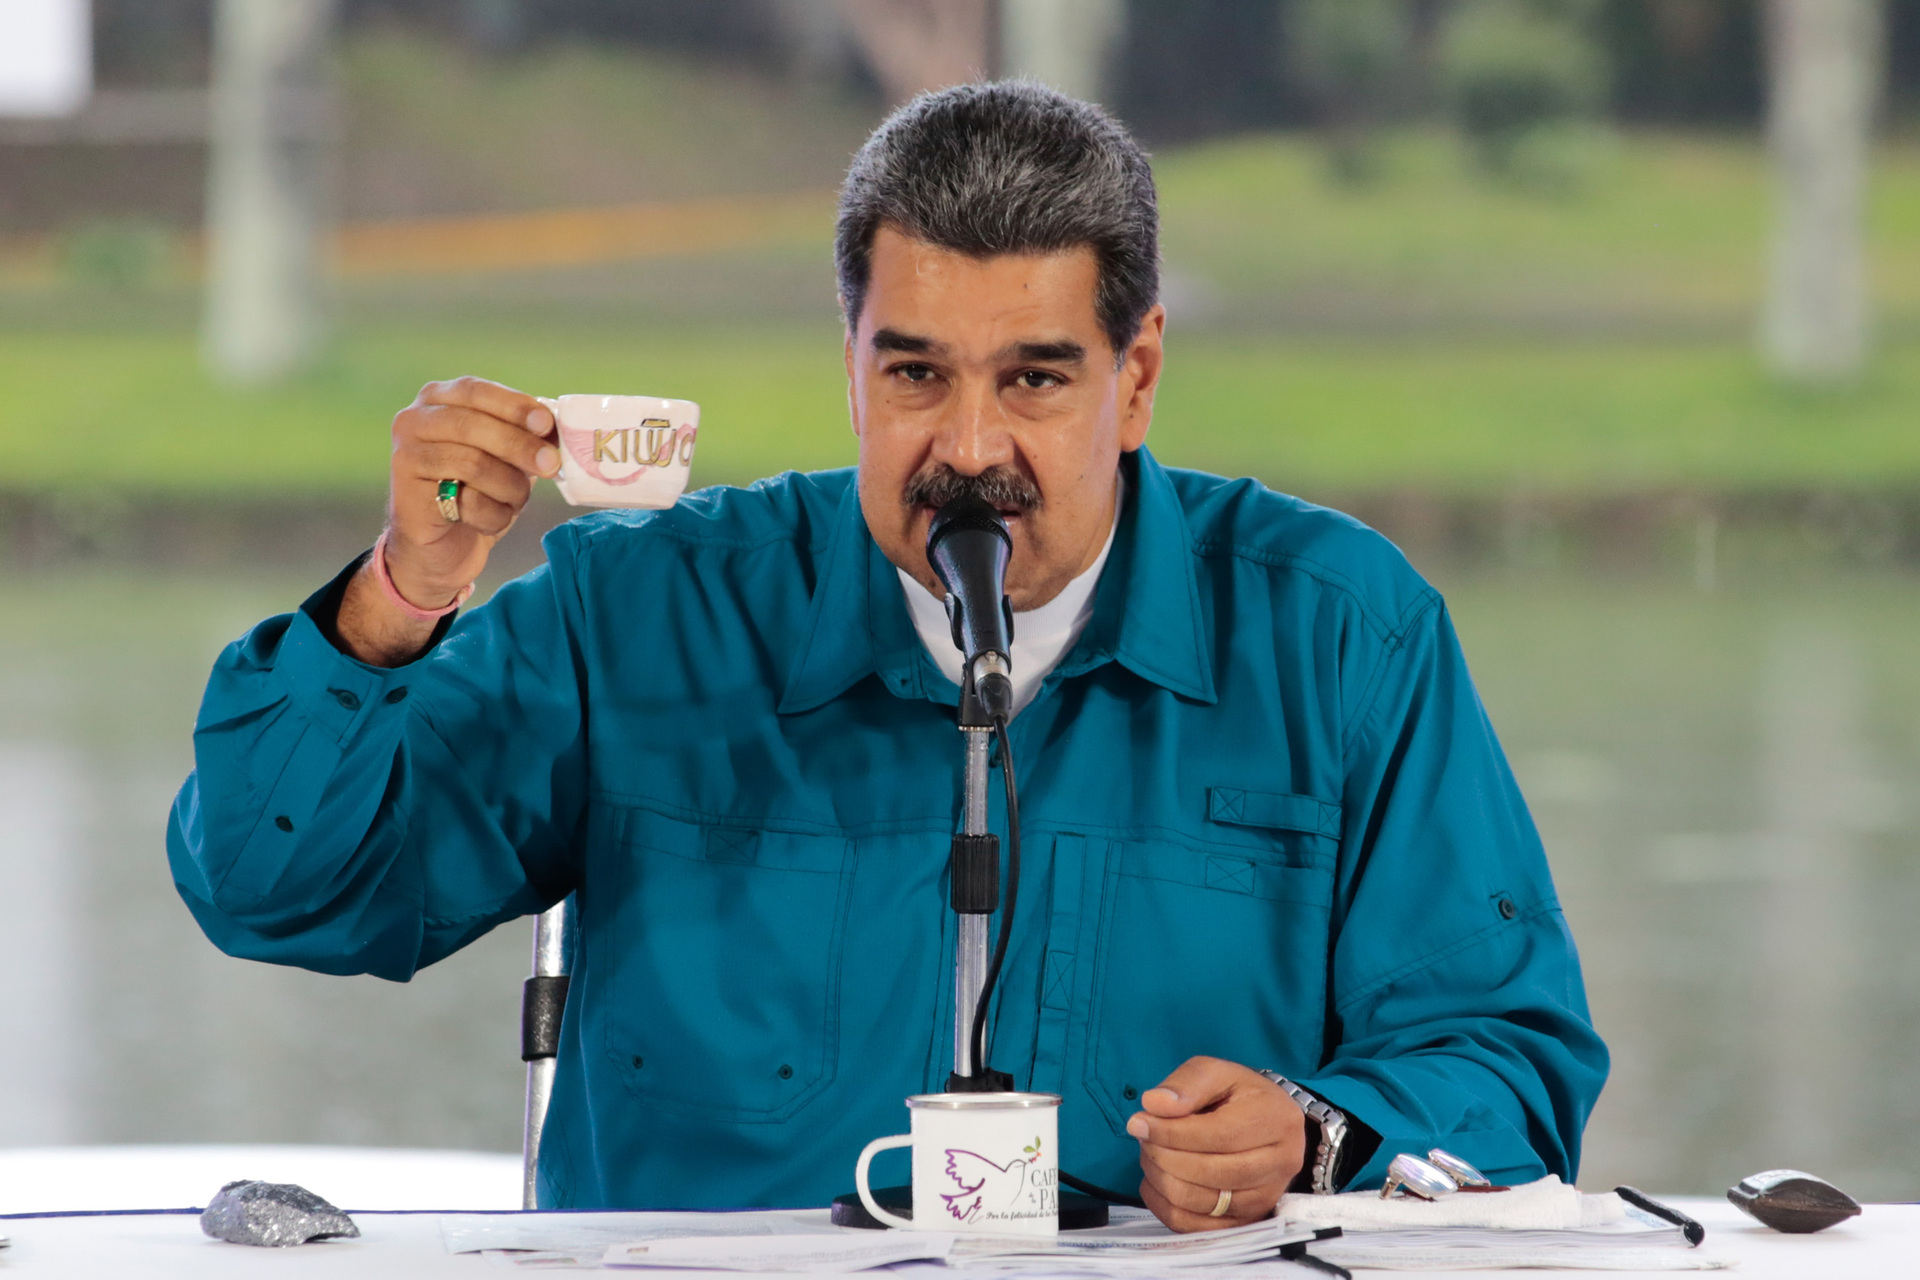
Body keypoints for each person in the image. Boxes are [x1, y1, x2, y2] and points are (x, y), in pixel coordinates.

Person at [169, 81, 1607, 1229]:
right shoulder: (638, 609)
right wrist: (399, 596)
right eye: (916, 372)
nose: (969, 448)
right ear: (849, 367)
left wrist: (1313, 1133)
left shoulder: (1340, 631)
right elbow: (277, 894)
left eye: (1035, 379)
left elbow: (1508, 1061)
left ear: (1138, 379)